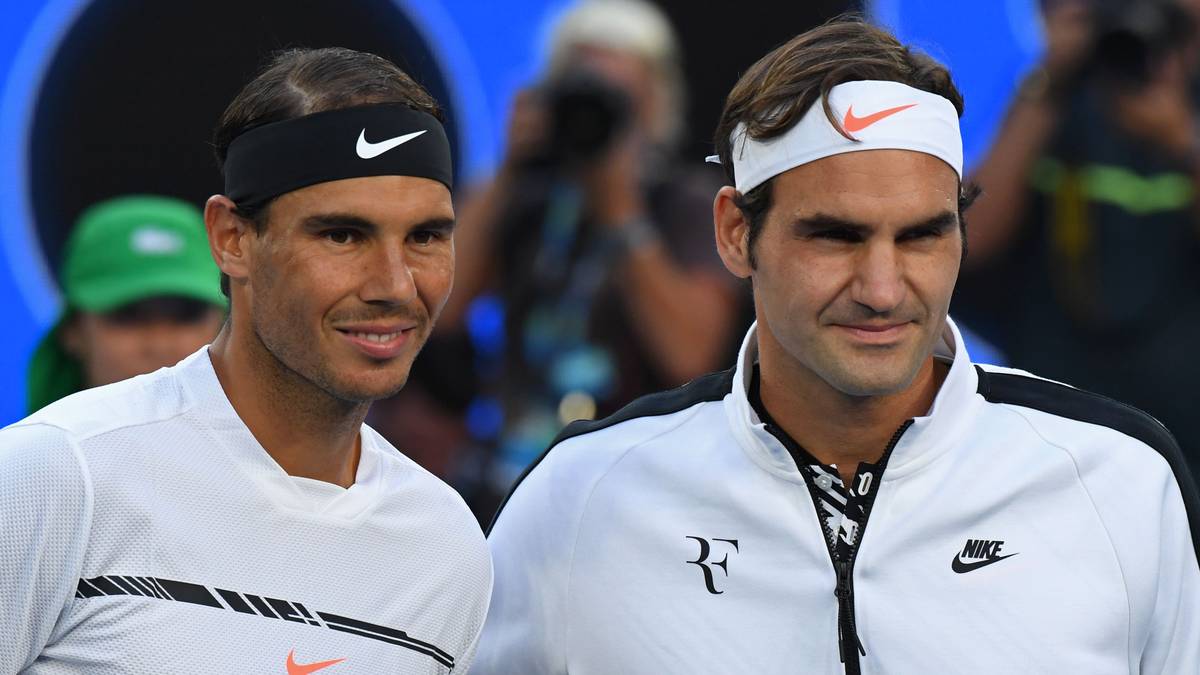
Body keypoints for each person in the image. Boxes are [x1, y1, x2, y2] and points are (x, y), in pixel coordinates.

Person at [477, 18, 1200, 673]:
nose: (883, 288)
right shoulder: (580, 497)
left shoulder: (1120, 481)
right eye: (836, 235)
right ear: (735, 233)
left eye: (922, 234)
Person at [0, 47, 491, 673]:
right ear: (232, 239)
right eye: (342, 234)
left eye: (425, 237)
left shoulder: (447, 549)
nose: (394, 285)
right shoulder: (56, 475)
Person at [439, 0, 739, 501]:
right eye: (582, 95)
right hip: (507, 475)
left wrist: (621, 215)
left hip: (631, 482)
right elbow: (438, 310)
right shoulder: (526, 197)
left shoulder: (686, 204)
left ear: (655, 105)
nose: (595, 117)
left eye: (616, 100)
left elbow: (692, 356)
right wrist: (508, 169)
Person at [959, 0, 1200, 468]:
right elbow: (965, 240)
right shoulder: (1051, 103)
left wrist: (1181, 139)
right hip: (1054, 433)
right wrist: (1050, 82)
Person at [26, 194, 226, 413]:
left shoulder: (263, 446)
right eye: (128, 316)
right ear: (73, 331)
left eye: (187, 315)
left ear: (224, 324)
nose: (160, 345)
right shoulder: (26, 446)